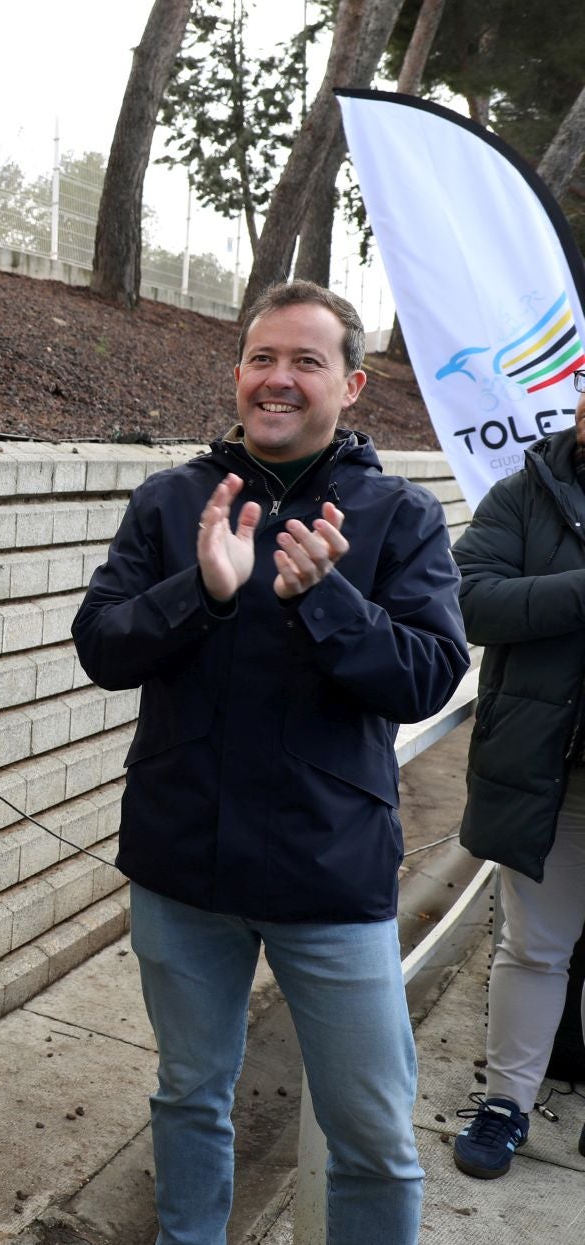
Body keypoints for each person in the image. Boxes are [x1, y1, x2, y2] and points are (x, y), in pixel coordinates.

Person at [72, 280, 468, 1245]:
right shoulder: (173, 500)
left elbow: (430, 675)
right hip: (182, 869)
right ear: (238, 371)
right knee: (188, 1094)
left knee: (372, 1131)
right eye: (261, 359)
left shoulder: (397, 515)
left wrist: (327, 601)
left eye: (305, 361)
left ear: (353, 384)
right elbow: (102, 646)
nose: (278, 380)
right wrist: (200, 591)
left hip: (329, 877)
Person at [444, 367, 585, 1179]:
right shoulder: (524, 490)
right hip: (549, 773)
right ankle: (505, 1104)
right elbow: (468, 600)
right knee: (535, 947)